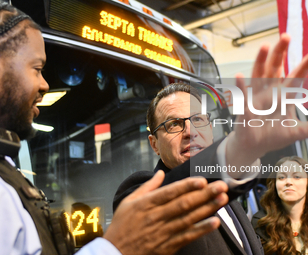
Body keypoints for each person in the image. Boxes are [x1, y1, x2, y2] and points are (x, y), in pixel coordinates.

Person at [0, 3, 231, 255]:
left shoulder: (8, 172)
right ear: (153, 143)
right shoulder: (144, 190)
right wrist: (115, 246)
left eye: (198, 120)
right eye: (37, 68)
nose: (44, 85)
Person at [112, 32, 308, 254]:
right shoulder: (141, 194)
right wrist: (238, 150)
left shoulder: (230, 199)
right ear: (154, 144)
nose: (190, 131)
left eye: (197, 119)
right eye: (174, 124)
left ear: (210, 127)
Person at [251, 156, 308, 255]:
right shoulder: (261, 223)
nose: (288, 182)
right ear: (275, 184)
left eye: (296, 177)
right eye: (282, 177)